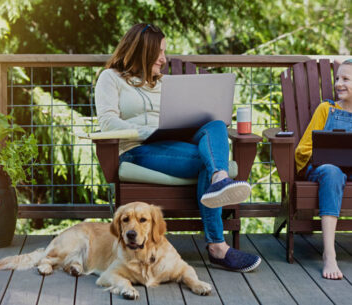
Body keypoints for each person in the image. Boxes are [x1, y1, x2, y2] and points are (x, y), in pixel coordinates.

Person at [95, 23, 261, 272]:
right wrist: (147, 131)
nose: (164, 59)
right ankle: (217, 245)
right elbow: (107, 122)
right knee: (209, 160)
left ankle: (220, 177)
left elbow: (183, 114)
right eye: (159, 52)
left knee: (215, 124)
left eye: (164, 52)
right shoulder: (111, 79)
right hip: (138, 149)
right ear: (142, 50)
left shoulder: (164, 83)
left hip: (175, 142)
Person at [295, 59, 352, 280]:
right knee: (332, 171)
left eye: (346, 79)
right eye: (337, 78)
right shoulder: (325, 109)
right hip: (323, 170)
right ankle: (330, 254)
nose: (339, 83)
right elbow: (303, 149)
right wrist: (322, 158)